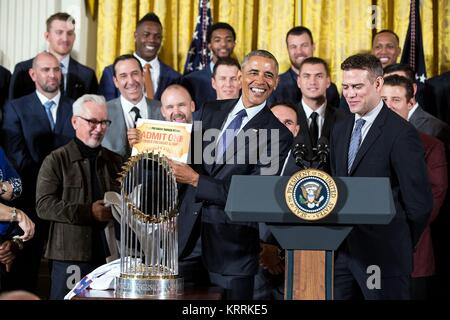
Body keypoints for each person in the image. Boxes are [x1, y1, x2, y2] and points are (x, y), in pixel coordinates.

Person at [168, 50, 292, 299]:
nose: (260, 80)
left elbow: (254, 196)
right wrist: (144, 143)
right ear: (239, 77)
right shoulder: (209, 110)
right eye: (253, 72)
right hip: (186, 244)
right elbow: (182, 158)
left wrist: (195, 180)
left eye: (269, 75)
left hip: (232, 253)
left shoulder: (278, 136)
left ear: (276, 82)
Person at [330, 53, 432, 299]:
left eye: (357, 86)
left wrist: (397, 241)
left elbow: (419, 204)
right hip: (342, 255)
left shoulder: (401, 133)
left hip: (384, 256)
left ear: (377, 84)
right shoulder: (340, 128)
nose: (350, 93)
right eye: (345, 87)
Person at [35, 94, 123, 300]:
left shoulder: (115, 161)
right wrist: (89, 212)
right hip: (70, 257)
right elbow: (43, 205)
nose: (99, 128)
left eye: (103, 122)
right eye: (92, 121)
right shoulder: (56, 159)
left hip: (109, 257)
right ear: (75, 122)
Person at [1, 51, 75, 293]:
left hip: (67, 206)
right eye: (46, 70)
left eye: (56, 70)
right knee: (24, 277)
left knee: (64, 280)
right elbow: (17, 157)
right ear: (33, 74)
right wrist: (47, 186)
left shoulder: (76, 106)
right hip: (29, 205)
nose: (52, 75)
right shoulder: (15, 108)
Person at [127, 84, 208, 287]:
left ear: (192, 106)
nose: (176, 112)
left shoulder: (210, 138)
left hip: (207, 238)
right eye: (170, 107)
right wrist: (138, 150)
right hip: (173, 245)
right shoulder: (150, 140)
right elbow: (146, 190)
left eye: (181, 105)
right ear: (162, 111)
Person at [381, 74, 448, 299]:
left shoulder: (430, 146)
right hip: (368, 250)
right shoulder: (359, 141)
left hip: (412, 249)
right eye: (383, 100)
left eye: (396, 100)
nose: (388, 106)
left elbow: (432, 199)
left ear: (410, 104)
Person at [253, 102, 301, 300]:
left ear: (296, 131)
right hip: (252, 266)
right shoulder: (241, 162)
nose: (281, 127)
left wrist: (279, 252)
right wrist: (262, 248)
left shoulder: (310, 167)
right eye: (275, 122)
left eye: (288, 122)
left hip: (293, 267)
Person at [9, 12, 98, 101]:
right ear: (47, 36)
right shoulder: (23, 70)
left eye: (70, 33)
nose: (65, 39)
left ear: (74, 37)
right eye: (59, 32)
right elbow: (12, 109)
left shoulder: (87, 75)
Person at [98, 13, 180, 102]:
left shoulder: (175, 77)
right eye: (146, 35)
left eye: (157, 36)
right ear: (135, 36)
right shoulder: (110, 73)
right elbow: (106, 110)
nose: (152, 40)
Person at [102, 54, 164, 158]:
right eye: (123, 76)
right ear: (115, 82)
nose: (131, 81)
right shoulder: (103, 113)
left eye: (135, 74)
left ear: (143, 76)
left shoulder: (163, 109)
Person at [268, 26, 339, 108]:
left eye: (304, 45)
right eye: (293, 47)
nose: (299, 51)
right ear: (287, 50)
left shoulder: (330, 89)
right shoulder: (276, 86)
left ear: (313, 47)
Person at [294, 57, 345, 169]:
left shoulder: (345, 119)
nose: (312, 82)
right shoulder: (288, 117)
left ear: (328, 81)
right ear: (298, 81)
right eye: (306, 76)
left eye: (319, 76)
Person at [339, 29, 403, 113]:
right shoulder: (352, 83)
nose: (383, 51)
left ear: (399, 51)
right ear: (372, 50)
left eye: (389, 46)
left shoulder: (408, 79)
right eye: (378, 47)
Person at [181, 22, 237, 110]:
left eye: (228, 40)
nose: (223, 44)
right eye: (217, 40)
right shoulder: (191, 81)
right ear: (209, 45)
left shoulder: (243, 78)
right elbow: (193, 115)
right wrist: (198, 125)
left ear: (234, 44)